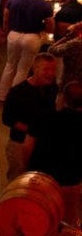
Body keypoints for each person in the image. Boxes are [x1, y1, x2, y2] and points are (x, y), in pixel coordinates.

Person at [24, 81, 82, 222]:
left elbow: (27, 146)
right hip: (70, 185)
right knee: (65, 225)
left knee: (34, 221)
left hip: (40, 181)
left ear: (63, 98)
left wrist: (27, 170)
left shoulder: (44, 117)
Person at [2, 53, 58, 184]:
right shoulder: (18, 92)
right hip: (20, 144)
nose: (50, 73)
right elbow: (7, 119)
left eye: (53, 69)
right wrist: (33, 131)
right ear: (35, 69)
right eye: (46, 69)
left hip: (42, 144)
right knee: (17, 180)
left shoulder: (52, 88)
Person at [0, 0, 53, 101]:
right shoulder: (44, 4)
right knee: (23, 69)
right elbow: (50, 24)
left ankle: (1, 95)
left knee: (10, 65)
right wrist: (44, 32)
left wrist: (5, 33)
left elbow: (6, 19)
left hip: (14, 35)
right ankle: (15, 98)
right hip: (32, 37)